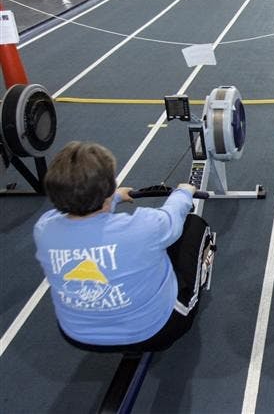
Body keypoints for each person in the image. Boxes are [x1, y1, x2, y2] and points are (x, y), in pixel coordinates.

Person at [33, 141, 211, 351]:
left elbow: (79, 211)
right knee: (193, 226)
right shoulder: (144, 225)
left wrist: (114, 198)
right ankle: (199, 279)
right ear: (107, 188)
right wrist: (184, 191)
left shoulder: (44, 228)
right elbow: (173, 214)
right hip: (157, 332)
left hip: (79, 337)